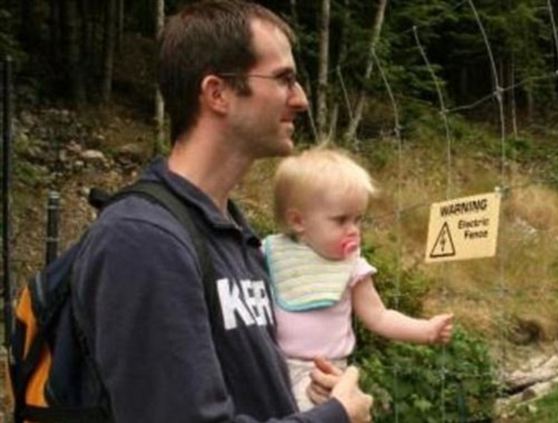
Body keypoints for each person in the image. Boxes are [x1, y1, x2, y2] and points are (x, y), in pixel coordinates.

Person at [71, 1, 372, 422]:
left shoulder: (233, 234)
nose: (301, 99)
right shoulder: (143, 240)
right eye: (284, 79)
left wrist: (306, 399)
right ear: (218, 93)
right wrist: (336, 417)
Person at [264, 148, 454, 411]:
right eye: (341, 220)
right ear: (298, 221)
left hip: (325, 374)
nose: (353, 230)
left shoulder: (352, 267)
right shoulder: (271, 255)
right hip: (269, 366)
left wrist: (425, 330)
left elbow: (379, 316)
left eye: (358, 219)